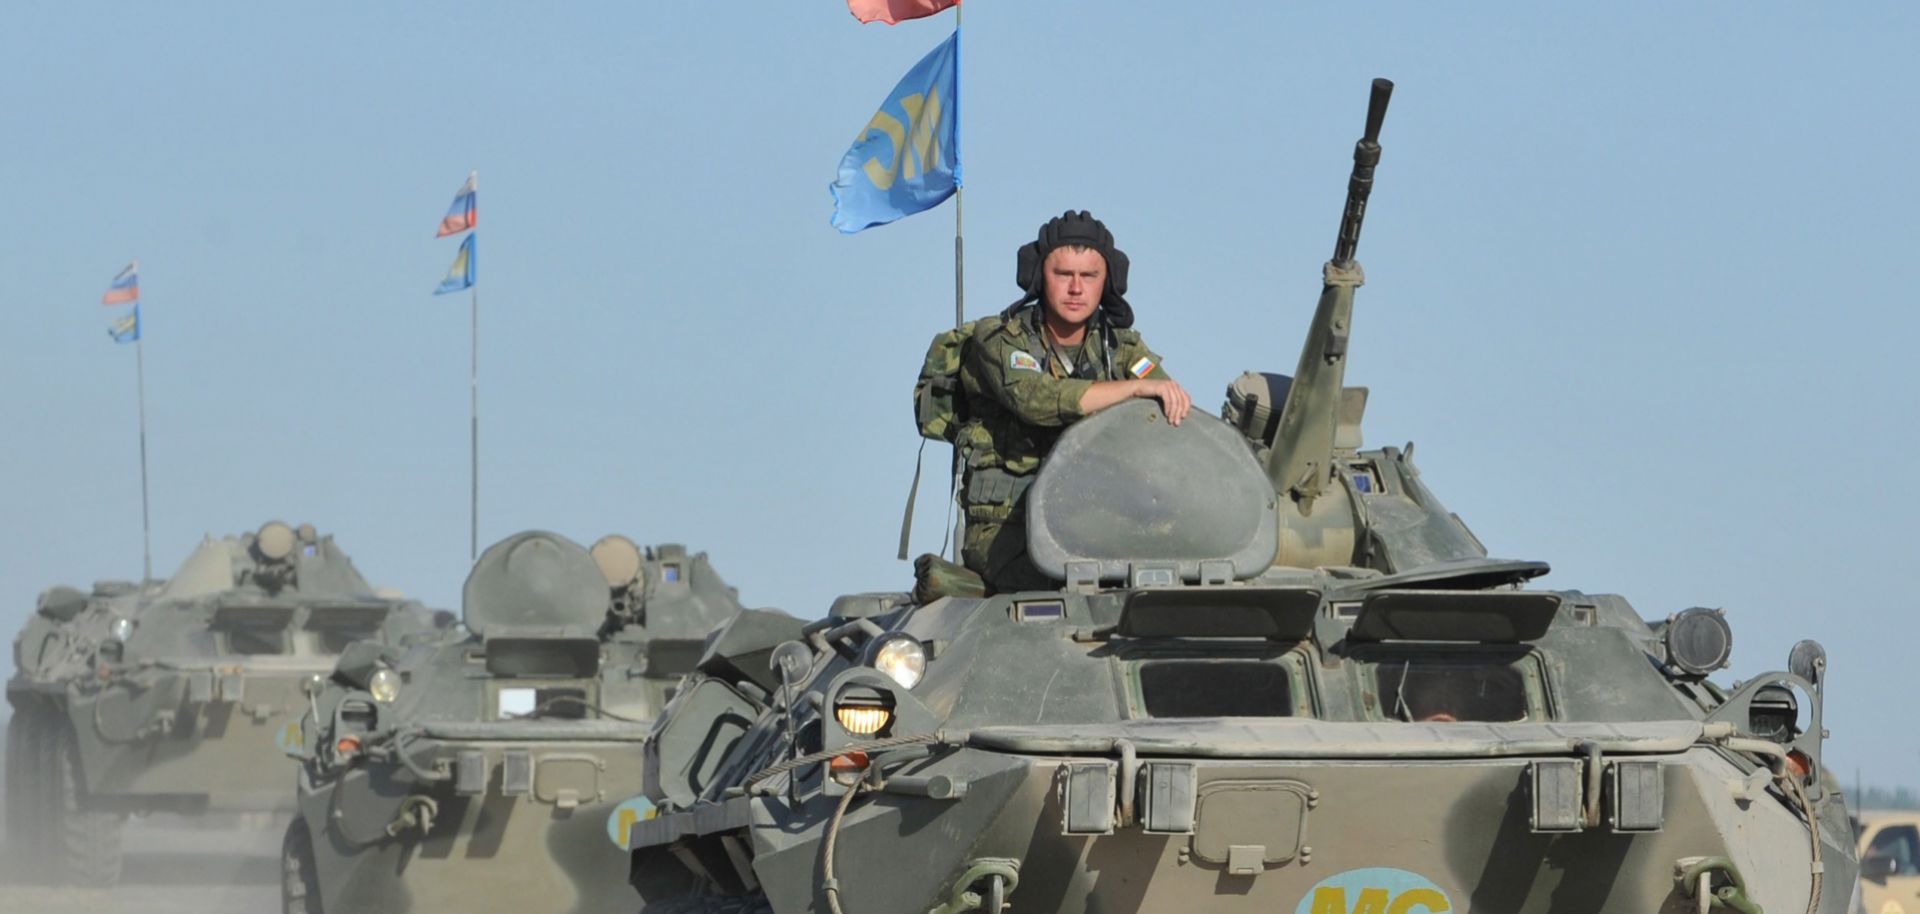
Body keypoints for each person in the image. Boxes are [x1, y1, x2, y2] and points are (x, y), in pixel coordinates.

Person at [955, 210, 1191, 592]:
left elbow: (1165, 411)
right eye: (1063, 275)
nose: (1076, 288)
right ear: (1038, 276)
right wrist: (1130, 390)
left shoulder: (1122, 348)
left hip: (1093, 526)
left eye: (1089, 276)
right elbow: (1034, 398)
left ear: (1108, 281)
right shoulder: (999, 339)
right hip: (1008, 534)